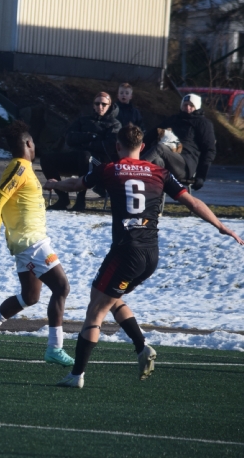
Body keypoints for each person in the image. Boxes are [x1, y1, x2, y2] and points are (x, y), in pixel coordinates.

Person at [44, 124, 243, 389]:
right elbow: (193, 202)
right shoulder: (159, 171)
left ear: (118, 146)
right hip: (150, 254)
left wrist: (55, 183)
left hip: (126, 251)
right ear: (143, 147)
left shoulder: (110, 168)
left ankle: (76, 374)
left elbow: (77, 184)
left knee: (95, 310)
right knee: (107, 297)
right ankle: (141, 347)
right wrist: (221, 226)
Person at [0, 121, 73, 366]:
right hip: (32, 243)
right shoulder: (20, 167)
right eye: (33, 142)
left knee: (30, 296)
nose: (35, 146)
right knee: (62, 288)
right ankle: (55, 348)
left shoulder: (24, 169)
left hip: (29, 242)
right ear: (27, 143)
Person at [40, 92, 121, 211]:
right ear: (93, 105)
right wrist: (91, 136)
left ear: (110, 106)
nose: (100, 106)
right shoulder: (83, 120)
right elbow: (69, 138)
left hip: (99, 163)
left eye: (104, 104)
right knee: (46, 158)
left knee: (85, 155)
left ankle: (80, 199)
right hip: (77, 157)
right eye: (97, 103)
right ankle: (63, 198)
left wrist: (82, 142)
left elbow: (107, 147)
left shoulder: (114, 124)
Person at [150, 93, 216, 190]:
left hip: (185, 165)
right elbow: (151, 135)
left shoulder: (203, 123)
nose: (187, 107)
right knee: (156, 160)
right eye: (185, 105)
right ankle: (155, 197)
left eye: (191, 105)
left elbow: (209, 150)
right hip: (167, 162)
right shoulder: (173, 120)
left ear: (197, 107)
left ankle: (135, 168)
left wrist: (201, 176)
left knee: (160, 148)